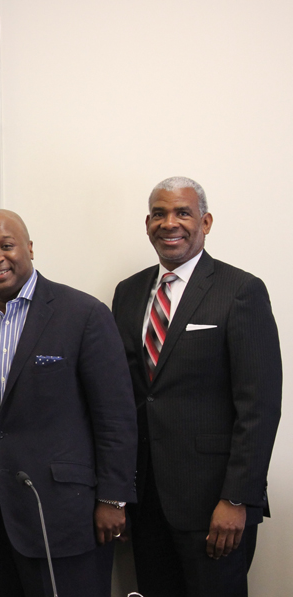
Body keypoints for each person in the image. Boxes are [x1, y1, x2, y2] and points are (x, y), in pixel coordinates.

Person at [0, 209, 136, 597]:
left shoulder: (83, 315)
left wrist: (113, 499)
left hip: (67, 517)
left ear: (30, 248)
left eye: (6, 245)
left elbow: (115, 417)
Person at [111, 177, 282, 597]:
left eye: (182, 212)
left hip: (214, 506)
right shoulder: (128, 294)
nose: (170, 223)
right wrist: (118, 495)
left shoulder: (240, 290)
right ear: (147, 223)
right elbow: (127, 399)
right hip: (147, 503)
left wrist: (237, 499)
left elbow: (259, 407)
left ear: (205, 221)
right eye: (159, 213)